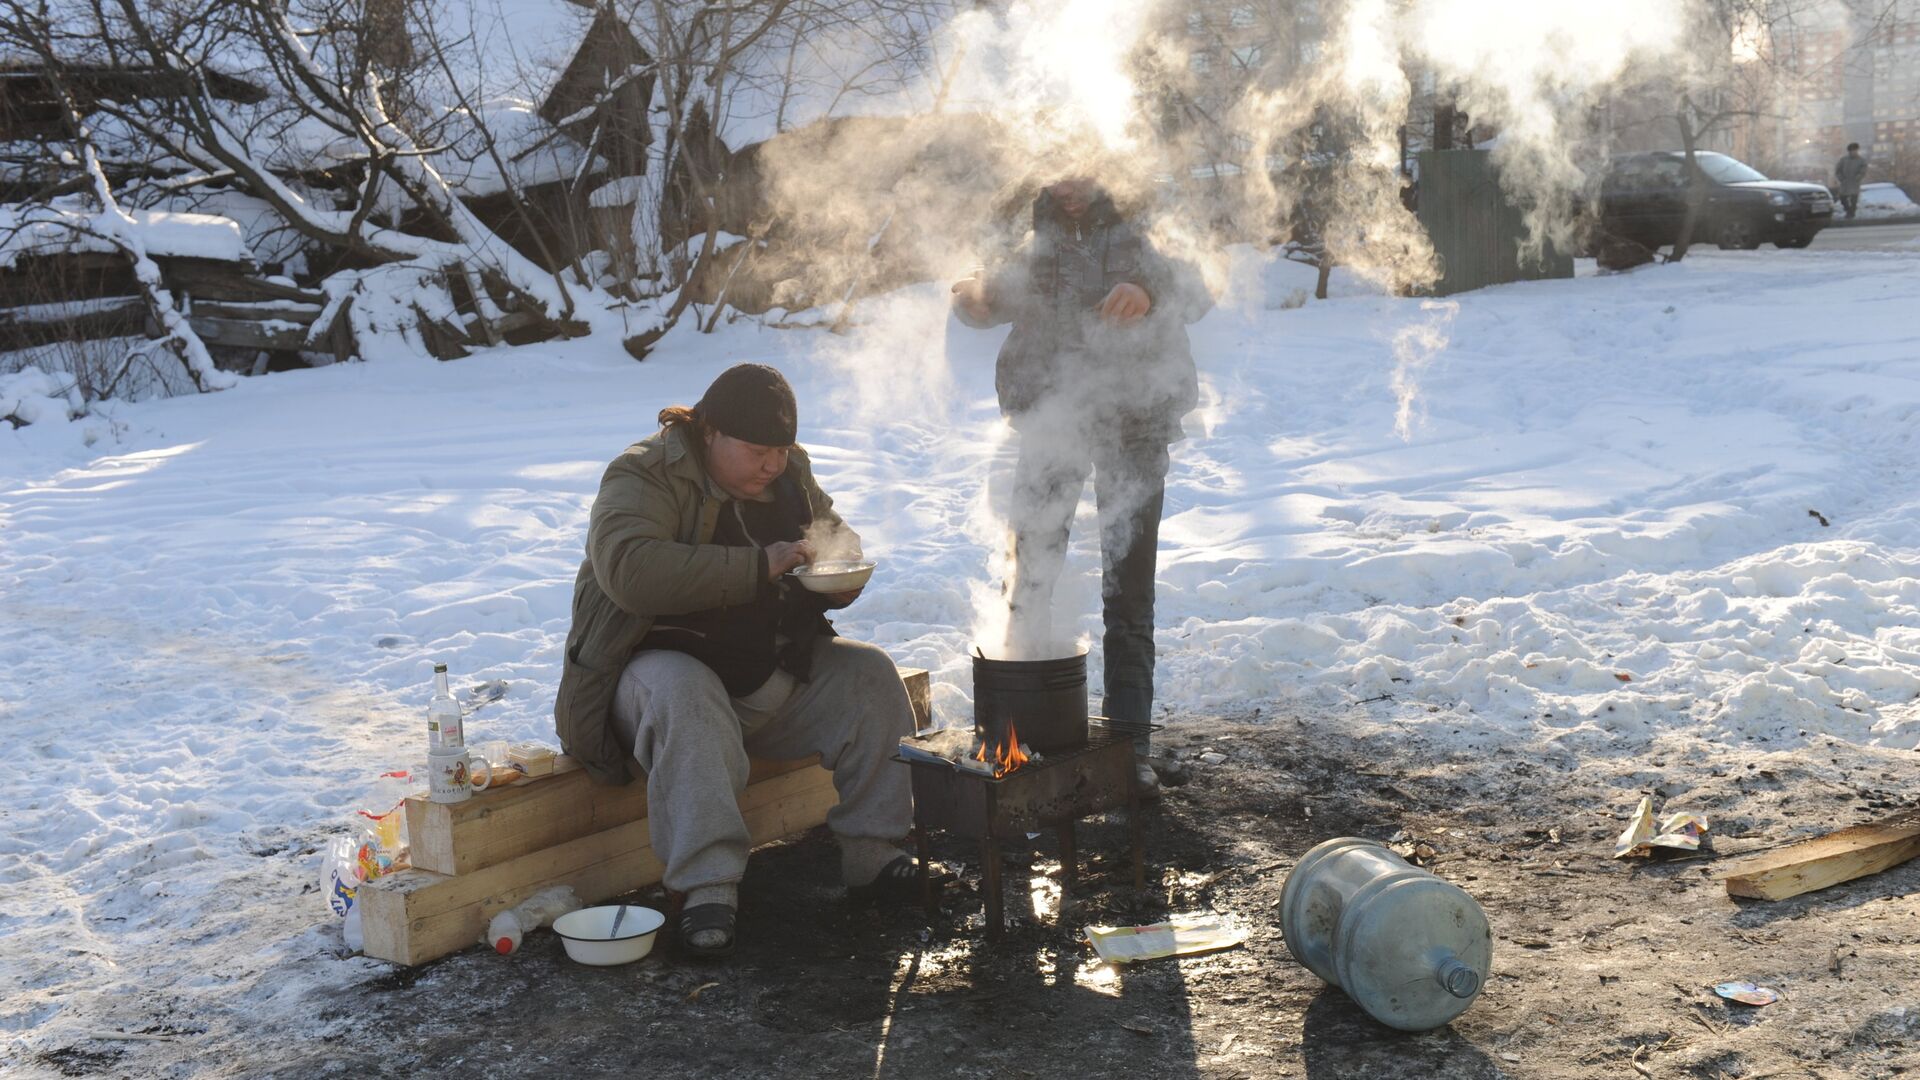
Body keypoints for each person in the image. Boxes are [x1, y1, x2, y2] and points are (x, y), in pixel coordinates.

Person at [553, 363, 931, 958]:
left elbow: (832, 531)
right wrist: (759, 567)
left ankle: (875, 855)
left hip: (766, 672)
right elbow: (630, 571)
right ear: (710, 433)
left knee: (872, 679)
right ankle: (706, 888)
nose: (773, 465)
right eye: (758, 451)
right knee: (688, 693)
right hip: (650, 683)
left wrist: (839, 573)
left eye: (781, 450)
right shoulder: (644, 473)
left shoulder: (788, 472)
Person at [950, 173, 1212, 791]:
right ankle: (1021, 739)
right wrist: (974, 301)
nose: (1068, 189)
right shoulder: (1028, 221)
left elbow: (1203, 283)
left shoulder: (1149, 206)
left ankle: (1129, 748)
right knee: (1030, 574)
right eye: (1057, 175)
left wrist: (1147, 288)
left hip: (1137, 416)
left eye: (1079, 175)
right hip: (1049, 411)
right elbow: (993, 293)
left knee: (1128, 593)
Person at [1834, 143, 1869, 220]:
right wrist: (1841, 178)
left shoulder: (1861, 160)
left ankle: (1851, 214)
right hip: (1845, 183)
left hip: (1854, 183)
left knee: (1854, 200)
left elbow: (1863, 170)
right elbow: (1838, 170)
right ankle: (1848, 211)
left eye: (1855, 150)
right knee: (1842, 198)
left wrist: (1858, 177)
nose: (1854, 152)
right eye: (1852, 150)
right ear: (1849, 151)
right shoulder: (1843, 160)